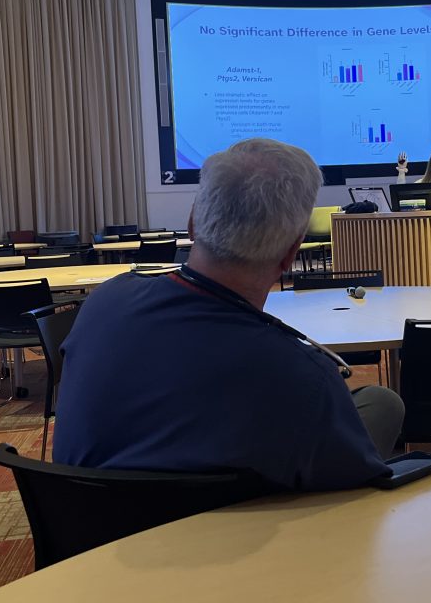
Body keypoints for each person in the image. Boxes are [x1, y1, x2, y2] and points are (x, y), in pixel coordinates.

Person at [53, 138, 404, 491]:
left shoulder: (104, 302)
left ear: (193, 223)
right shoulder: (304, 377)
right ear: (291, 252)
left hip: (87, 532)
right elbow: (360, 486)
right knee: (381, 404)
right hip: (227, 539)